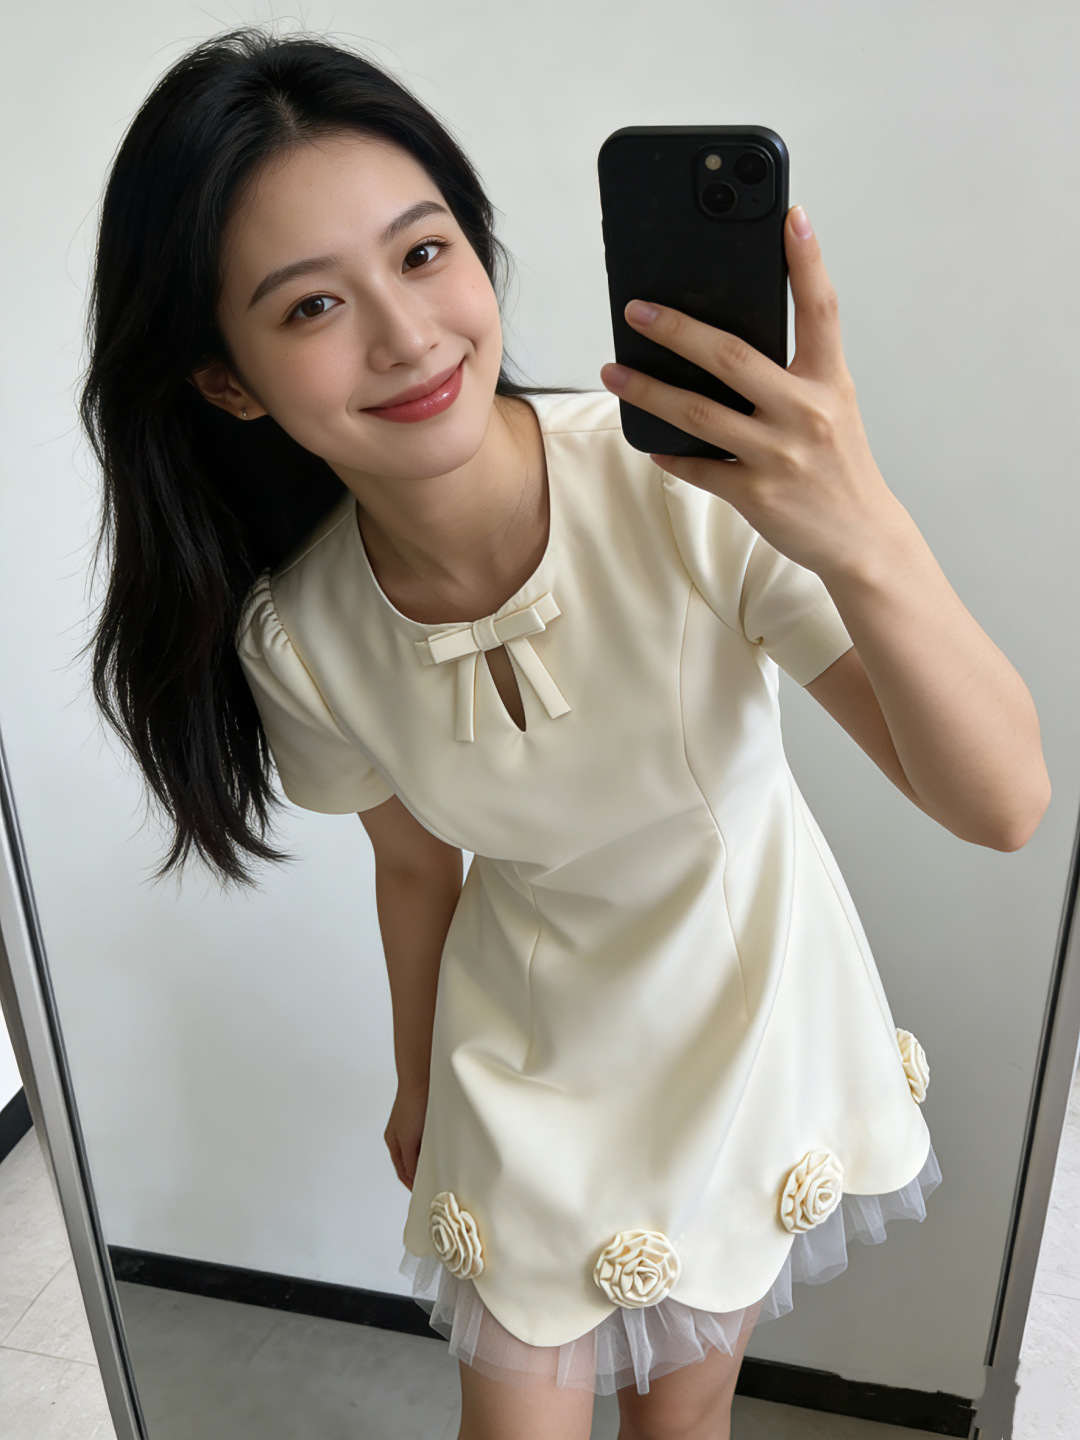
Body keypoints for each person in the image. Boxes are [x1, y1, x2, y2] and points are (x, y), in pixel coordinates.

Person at [78, 24, 1051, 1440]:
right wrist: (418, 1079)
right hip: (522, 1048)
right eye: (311, 306)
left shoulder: (687, 492)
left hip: (741, 1017)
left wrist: (862, 527)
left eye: (423, 253)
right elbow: (414, 866)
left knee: (677, 1425)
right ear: (226, 381)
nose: (409, 336)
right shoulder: (300, 635)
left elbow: (1002, 803)